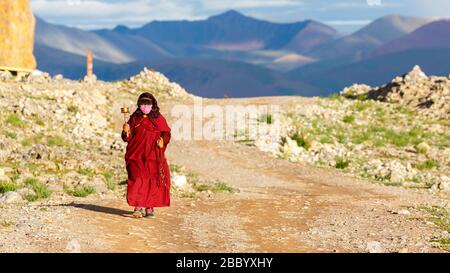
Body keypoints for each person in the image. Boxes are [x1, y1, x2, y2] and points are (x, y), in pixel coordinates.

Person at [121, 92, 172, 218]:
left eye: (147, 104)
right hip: (136, 155)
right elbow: (127, 138)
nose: (145, 106)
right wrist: (125, 131)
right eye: (142, 103)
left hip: (153, 155)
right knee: (137, 179)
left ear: (153, 105)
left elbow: (166, 133)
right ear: (139, 104)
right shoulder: (134, 118)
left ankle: (149, 208)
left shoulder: (158, 118)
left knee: (152, 180)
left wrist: (162, 140)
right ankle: (138, 207)